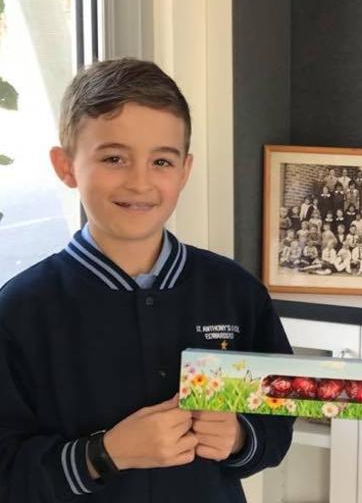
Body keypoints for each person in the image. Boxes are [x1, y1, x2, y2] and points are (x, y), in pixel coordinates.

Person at [0, 58, 294, 501]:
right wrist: (105, 454)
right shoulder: (20, 311)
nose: (140, 183)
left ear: (185, 170)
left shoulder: (234, 292)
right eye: (114, 158)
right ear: (65, 166)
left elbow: (279, 415)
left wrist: (238, 438)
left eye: (161, 161)